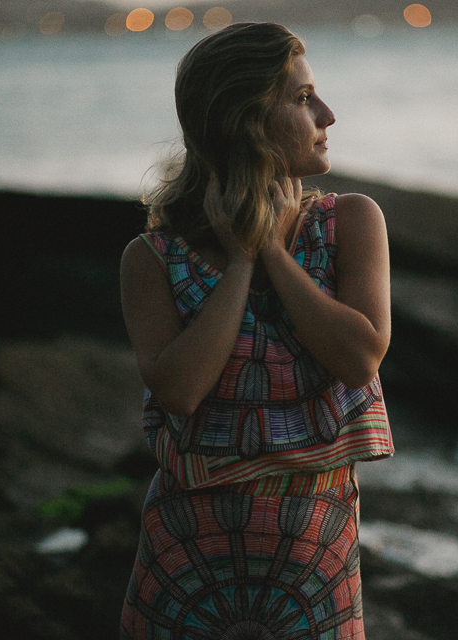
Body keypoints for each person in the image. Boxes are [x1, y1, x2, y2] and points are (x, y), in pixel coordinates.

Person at [119, 22, 393, 640]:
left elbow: (360, 357)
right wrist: (241, 259)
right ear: (248, 121)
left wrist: (272, 249)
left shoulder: (352, 221)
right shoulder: (152, 259)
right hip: (188, 570)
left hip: (316, 567)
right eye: (302, 98)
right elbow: (180, 391)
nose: (327, 114)